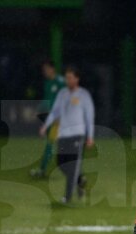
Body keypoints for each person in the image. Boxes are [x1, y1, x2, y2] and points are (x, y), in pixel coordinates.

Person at [39, 65, 94, 203]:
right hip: (63, 134)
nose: (68, 80)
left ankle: (67, 197)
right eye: (66, 78)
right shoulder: (62, 93)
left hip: (77, 135)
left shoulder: (84, 95)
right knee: (61, 163)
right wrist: (46, 126)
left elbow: (89, 116)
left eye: (70, 78)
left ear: (77, 79)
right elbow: (55, 112)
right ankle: (80, 180)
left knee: (73, 165)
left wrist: (90, 136)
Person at [31, 60, 66, 178]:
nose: (44, 72)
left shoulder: (60, 82)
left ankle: (42, 170)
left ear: (52, 69)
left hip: (61, 117)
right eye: (43, 70)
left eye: (46, 69)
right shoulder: (48, 83)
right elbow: (48, 99)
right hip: (53, 117)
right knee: (54, 144)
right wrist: (38, 109)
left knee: (51, 144)